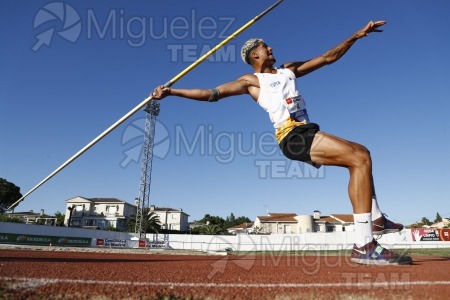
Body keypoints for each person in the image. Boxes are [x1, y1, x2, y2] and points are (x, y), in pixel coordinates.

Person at [152, 20, 412, 265]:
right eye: (265, 47)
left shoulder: (288, 70)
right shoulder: (250, 81)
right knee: (359, 158)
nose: (271, 48)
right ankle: (364, 244)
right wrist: (172, 92)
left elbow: (328, 58)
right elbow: (211, 94)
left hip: (306, 130)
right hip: (292, 137)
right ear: (255, 55)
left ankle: (375, 219)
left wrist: (356, 36)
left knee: (362, 154)